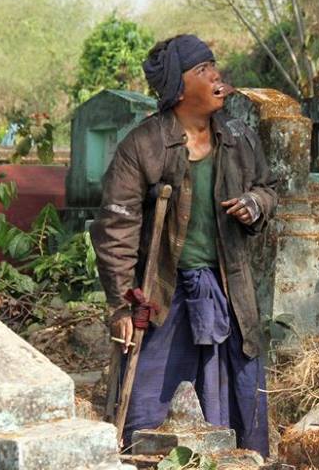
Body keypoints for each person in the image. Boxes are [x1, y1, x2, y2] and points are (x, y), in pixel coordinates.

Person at [91, 34, 277, 454]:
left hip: (228, 291)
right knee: (147, 409)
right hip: (164, 295)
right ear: (178, 87)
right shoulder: (143, 144)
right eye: (203, 70)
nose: (217, 77)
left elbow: (268, 187)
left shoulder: (238, 137)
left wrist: (254, 204)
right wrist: (122, 305)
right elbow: (115, 228)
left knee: (237, 402)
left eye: (214, 66)